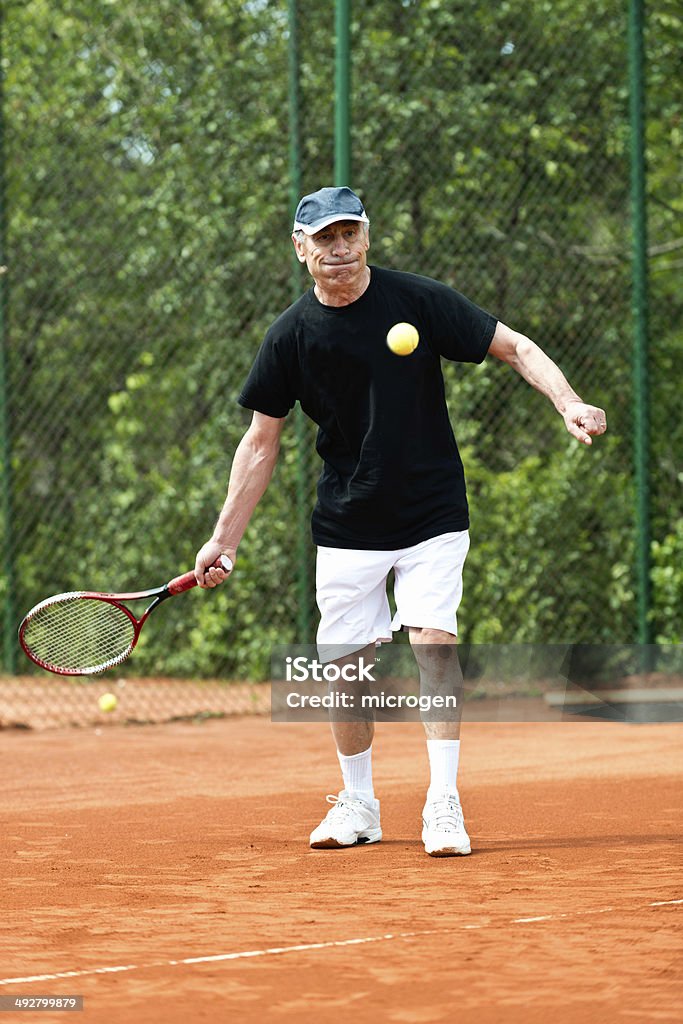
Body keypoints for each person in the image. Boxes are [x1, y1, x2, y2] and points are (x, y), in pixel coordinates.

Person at [194, 186, 607, 857]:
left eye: (348, 233)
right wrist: (223, 539)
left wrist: (567, 402)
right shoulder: (290, 336)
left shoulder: (417, 300)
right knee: (345, 670)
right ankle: (359, 802)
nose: (339, 248)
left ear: (366, 236)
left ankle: (442, 801)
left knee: (432, 643)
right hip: (348, 521)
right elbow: (260, 442)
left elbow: (515, 347)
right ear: (300, 248)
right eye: (323, 238)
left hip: (430, 511)